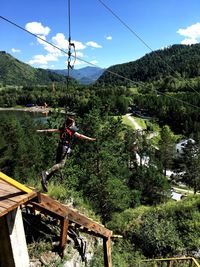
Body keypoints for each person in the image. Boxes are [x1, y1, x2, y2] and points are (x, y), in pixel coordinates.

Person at [37, 116, 96, 192]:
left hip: (60, 147)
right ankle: (45, 173)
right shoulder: (72, 130)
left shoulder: (63, 129)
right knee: (61, 165)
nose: (74, 125)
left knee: (56, 166)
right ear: (71, 124)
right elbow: (81, 136)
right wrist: (90, 139)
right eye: (74, 123)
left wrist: (42, 131)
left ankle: (45, 180)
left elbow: (53, 130)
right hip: (64, 148)